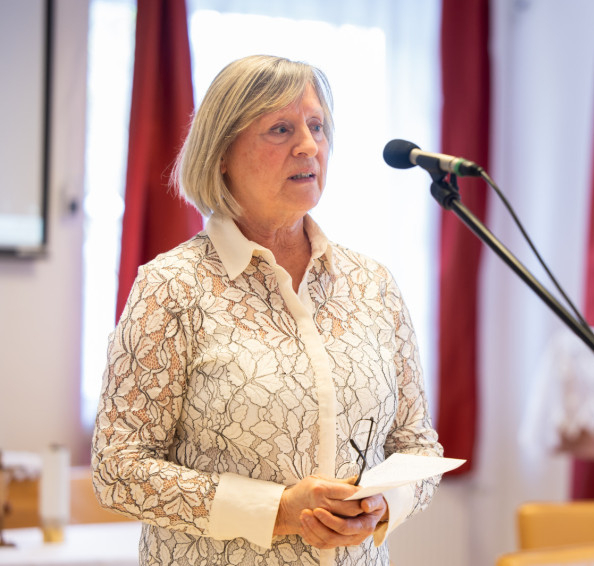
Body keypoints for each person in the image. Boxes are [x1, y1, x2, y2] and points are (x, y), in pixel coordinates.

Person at [91, 54, 444, 566]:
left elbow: (418, 446)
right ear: (221, 155)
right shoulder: (171, 287)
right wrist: (277, 510)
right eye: (281, 129)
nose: (309, 145)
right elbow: (118, 470)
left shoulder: (374, 285)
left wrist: (381, 504)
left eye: (317, 126)